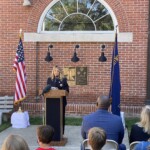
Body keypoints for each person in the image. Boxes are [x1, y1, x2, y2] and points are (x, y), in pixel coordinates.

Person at [47, 65, 69, 134]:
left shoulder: (63, 79)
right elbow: (47, 89)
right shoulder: (49, 79)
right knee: (52, 117)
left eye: (57, 71)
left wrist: (60, 90)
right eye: (55, 71)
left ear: (60, 72)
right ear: (52, 71)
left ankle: (61, 133)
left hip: (61, 102)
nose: (56, 72)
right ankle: (50, 132)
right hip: (51, 102)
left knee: (61, 117)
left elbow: (67, 90)